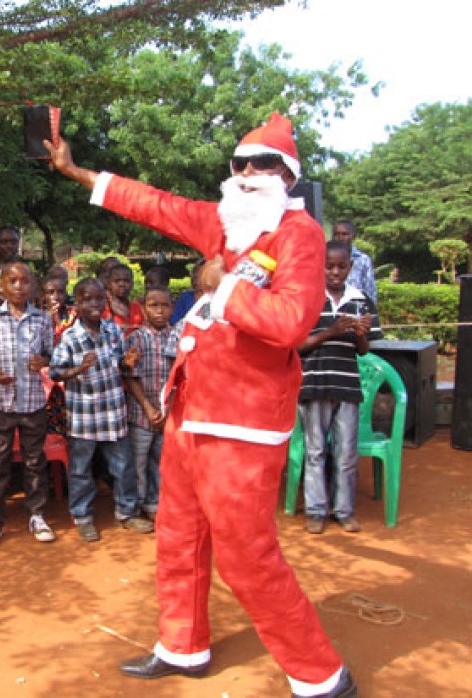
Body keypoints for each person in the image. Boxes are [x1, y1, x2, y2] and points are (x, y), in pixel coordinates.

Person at [44, 112, 357, 697]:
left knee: (246, 555)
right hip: (189, 409)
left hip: (243, 424)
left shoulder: (300, 236)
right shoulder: (224, 225)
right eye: (239, 164)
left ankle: (320, 675)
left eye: (262, 166)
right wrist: (75, 171)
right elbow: (153, 203)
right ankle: (183, 646)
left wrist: (223, 287)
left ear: (287, 175)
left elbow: (293, 322)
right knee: (178, 535)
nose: (247, 174)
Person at [49, 277, 154, 541]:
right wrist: (79, 369)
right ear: (77, 304)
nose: (94, 304)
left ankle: (126, 513)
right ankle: (83, 516)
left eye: (98, 298)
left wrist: (126, 362)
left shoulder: (112, 330)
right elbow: (55, 372)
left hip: (113, 412)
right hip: (84, 416)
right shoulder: (70, 337)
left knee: (123, 466)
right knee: (81, 470)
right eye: (87, 299)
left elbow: (118, 363)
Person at [0, 261, 56, 551]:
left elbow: (49, 354)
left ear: (33, 285)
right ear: (2, 286)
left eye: (25, 281)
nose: (19, 287)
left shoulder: (42, 320)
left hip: (32, 403)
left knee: (34, 463)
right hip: (0, 405)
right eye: (13, 281)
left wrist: (43, 362)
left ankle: (37, 515)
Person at [298, 240, 382, 535]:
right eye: (329, 266)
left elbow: (362, 350)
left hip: (346, 385)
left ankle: (344, 511)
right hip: (314, 384)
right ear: (319, 266)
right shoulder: (307, 299)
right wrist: (331, 332)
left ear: (350, 266)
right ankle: (316, 511)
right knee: (316, 450)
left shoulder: (361, 301)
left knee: (346, 452)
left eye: (341, 266)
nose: (335, 272)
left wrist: (361, 334)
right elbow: (297, 345)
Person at [122, 286, 182, 518]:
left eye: (165, 305)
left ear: (172, 308)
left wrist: (167, 408)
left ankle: (154, 503)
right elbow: (130, 375)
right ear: (144, 308)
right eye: (153, 305)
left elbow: (179, 376)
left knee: (160, 461)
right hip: (141, 413)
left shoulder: (176, 337)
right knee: (138, 461)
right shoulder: (136, 338)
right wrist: (148, 408)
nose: (159, 311)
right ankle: (136, 504)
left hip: (167, 413)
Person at [332, 220, 377, 305]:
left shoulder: (363, 260)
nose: (340, 238)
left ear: (353, 236)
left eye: (344, 234)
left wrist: (369, 312)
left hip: (356, 308)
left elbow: (370, 290)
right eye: (336, 234)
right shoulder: (324, 258)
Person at [103, 262, 145, 337]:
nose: (122, 284)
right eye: (117, 281)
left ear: (132, 284)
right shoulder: (103, 308)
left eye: (126, 281)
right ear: (109, 284)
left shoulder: (137, 308)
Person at [170, 259, 204, 324]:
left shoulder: (214, 299)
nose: (195, 277)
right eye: (194, 273)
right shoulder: (186, 297)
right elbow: (175, 321)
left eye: (200, 273)